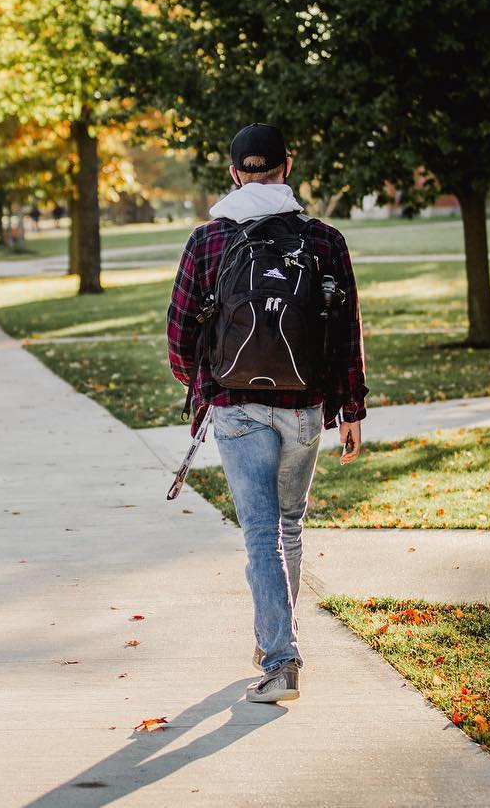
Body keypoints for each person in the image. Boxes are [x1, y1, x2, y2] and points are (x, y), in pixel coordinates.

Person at [166, 123, 368, 705]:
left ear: (234, 173)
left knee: (260, 531)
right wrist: (350, 406)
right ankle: (278, 633)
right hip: (303, 406)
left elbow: (181, 333)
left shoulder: (208, 240)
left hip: (236, 405)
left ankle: (280, 656)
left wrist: (202, 387)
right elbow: (345, 328)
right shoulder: (324, 240)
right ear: (288, 165)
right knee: (288, 525)